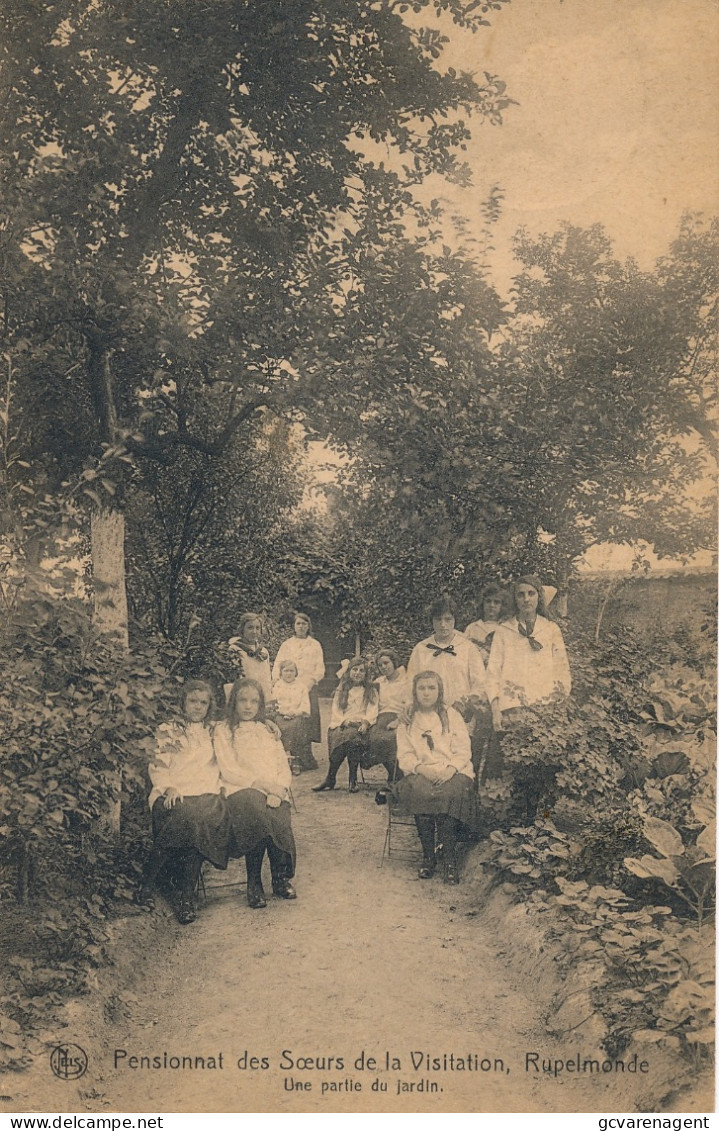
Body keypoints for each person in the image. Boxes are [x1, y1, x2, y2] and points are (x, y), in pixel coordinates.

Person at [137, 680, 230, 925]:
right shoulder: (169, 729)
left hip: (206, 795)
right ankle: (175, 892)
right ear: (183, 702)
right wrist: (168, 786)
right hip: (172, 793)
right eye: (193, 701)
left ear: (210, 706)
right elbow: (157, 765)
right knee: (188, 818)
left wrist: (272, 725)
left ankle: (162, 886)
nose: (198, 707)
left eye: (203, 702)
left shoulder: (215, 730)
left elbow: (244, 725)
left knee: (197, 818)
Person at [485, 574, 572, 820]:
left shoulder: (550, 629)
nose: (526, 599)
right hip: (513, 710)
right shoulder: (504, 631)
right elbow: (493, 673)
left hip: (544, 710)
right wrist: (495, 710)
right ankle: (515, 823)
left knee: (543, 768)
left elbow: (562, 670)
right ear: (515, 599)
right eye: (521, 594)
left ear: (538, 597)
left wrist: (558, 704)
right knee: (514, 767)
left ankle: (539, 822)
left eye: (531, 593)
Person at [213, 679, 297, 910]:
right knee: (255, 812)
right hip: (240, 789)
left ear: (260, 705)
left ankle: (281, 877)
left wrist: (279, 789)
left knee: (277, 816)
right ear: (233, 702)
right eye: (242, 700)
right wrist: (262, 785)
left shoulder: (267, 730)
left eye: (254, 701)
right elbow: (228, 768)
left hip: (272, 789)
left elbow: (282, 764)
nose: (248, 707)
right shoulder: (223, 730)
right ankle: (254, 881)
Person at [394, 671, 478, 884]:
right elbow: (404, 754)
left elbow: (463, 750)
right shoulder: (407, 719)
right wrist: (421, 768)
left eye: (431, 688)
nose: (426, 693)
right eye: (421, 688)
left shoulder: (452, 716)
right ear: (414, 691)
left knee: (449, 793)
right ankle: (428, 857)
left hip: (453, 770)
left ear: (439, 691)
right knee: (421, 791)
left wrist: (451, 769)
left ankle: (449, 860)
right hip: (422, 770)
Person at [407, 594, 489, 779]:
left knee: (460, 757)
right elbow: (410, 684)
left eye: (448, 619)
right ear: (432, 621)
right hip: (428, 715)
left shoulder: (467, 648)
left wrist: (465, 703)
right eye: (438, 620)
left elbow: (481, 683)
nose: (443, 625)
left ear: (454, 620)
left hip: (461, 713)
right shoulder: (421, 649)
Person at [312, 656, 378, 793]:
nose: (358, 673)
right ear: (349, 672)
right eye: (355, 669)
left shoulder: (370, 691)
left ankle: (335, 778)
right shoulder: (342, 689)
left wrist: (366, 722)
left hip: (360, 727)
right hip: (342, 724)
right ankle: (348, 779)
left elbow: (373, 710)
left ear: (366, 674)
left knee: (352, 739)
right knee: (344, 737)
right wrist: (344, 721)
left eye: (361, 671)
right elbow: (336, 710)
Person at [272, 613, 325, 759]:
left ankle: (305, 755)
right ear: (294, 626)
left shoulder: (314, 645)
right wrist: (278, 681)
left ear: (308, 626)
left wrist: (311, 682)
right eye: (298, 624)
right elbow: (277, 664)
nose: (301, 627)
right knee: (287, 718)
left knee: (306, 720)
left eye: (304, 624)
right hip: (288, 685)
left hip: (308, 687)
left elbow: (320, 668)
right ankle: (289, 753)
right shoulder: (287, 644)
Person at [367, 648, 411, 782]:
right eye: (380, 665)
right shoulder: (379, 682)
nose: (383, 667)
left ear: (394, 662)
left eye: (386, 663)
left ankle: (395, 776)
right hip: (381, 718)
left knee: (391, 738)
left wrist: (398, 721)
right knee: (375, 738)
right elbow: (372, 703)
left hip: (401, 717)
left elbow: (409, 705)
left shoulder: (406, 680)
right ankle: (393, 773)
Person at [271, 660, 312, 774]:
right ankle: (283, 759)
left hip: (297, 716)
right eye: (286, 671)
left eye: (291, 671)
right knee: (278, 725)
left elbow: (305, 705)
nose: (288, 674)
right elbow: (275, 704)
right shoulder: (277, 686)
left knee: (296, 725)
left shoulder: (301, 687)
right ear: (281, 673)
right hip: (281, 715)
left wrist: (294, 713)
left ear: (296, 673)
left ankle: (295, 761)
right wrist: (283, 712)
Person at [224, 613, 273, 704]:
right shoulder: (235, 649)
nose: (254, 631)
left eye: (257, 628)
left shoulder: (263, 651)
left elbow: (267, 679)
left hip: (263, 697)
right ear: (242, 629)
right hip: (246, 698)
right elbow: (235, 678)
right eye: (250, 627)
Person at [464, 584, 507, 668]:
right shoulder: (472, 628)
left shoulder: (506, 628)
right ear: (482, 603)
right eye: (488, 601)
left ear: (502, 606)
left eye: (496, 602)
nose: (492, 605)